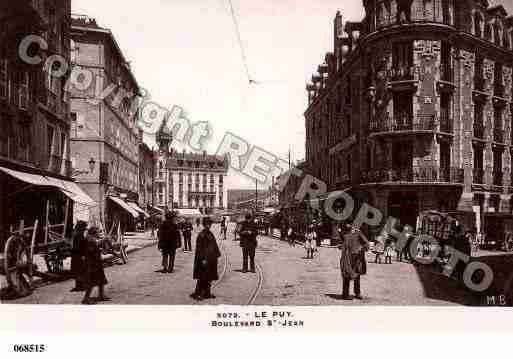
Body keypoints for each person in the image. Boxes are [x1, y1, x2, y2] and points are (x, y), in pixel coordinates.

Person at [191, 217, 221, 300]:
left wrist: (217, 255)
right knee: (202, 277)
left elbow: (214, 245)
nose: (208, 225)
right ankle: (198, 293)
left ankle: (207, 293)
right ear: (204, 225)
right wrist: (203, 259)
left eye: (209, 224)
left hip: (211, 259)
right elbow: (199, 249)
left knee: (209, 277)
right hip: (204, 259)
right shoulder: (201, 235)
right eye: (207, 224)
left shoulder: (210, 233)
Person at [339, 226, 370, 300]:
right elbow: (342, 244)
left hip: (357, 258)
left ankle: (357, 293)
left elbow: (366, 244)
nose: (351, 227)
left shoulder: (358, 234)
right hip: (348, 257)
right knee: (347, 275)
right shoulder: (345, 235)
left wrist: (361, 249)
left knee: (357, 275)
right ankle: (345, 294)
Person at [81, 226, 110, 305]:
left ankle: (101, 295)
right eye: (98, 232)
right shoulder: (89, 238)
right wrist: (104, 240)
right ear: (94, 232)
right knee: (91, 282)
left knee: (101, 280)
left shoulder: (91, 238)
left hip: (97, 262)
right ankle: (86, 298)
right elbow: (94, 246)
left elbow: (96, 246)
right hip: (91, 264)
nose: (99, 233)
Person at [70, 221, 88, 292]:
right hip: (78, 255)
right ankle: (81, 287)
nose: (84, 229)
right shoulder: (79, 235)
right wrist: (83, 255)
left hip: (75, 255)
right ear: (81, 227)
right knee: (80, 271)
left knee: (77, 271)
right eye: (84, 227)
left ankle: (78, 286)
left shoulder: (76, 234)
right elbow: (80, 246)